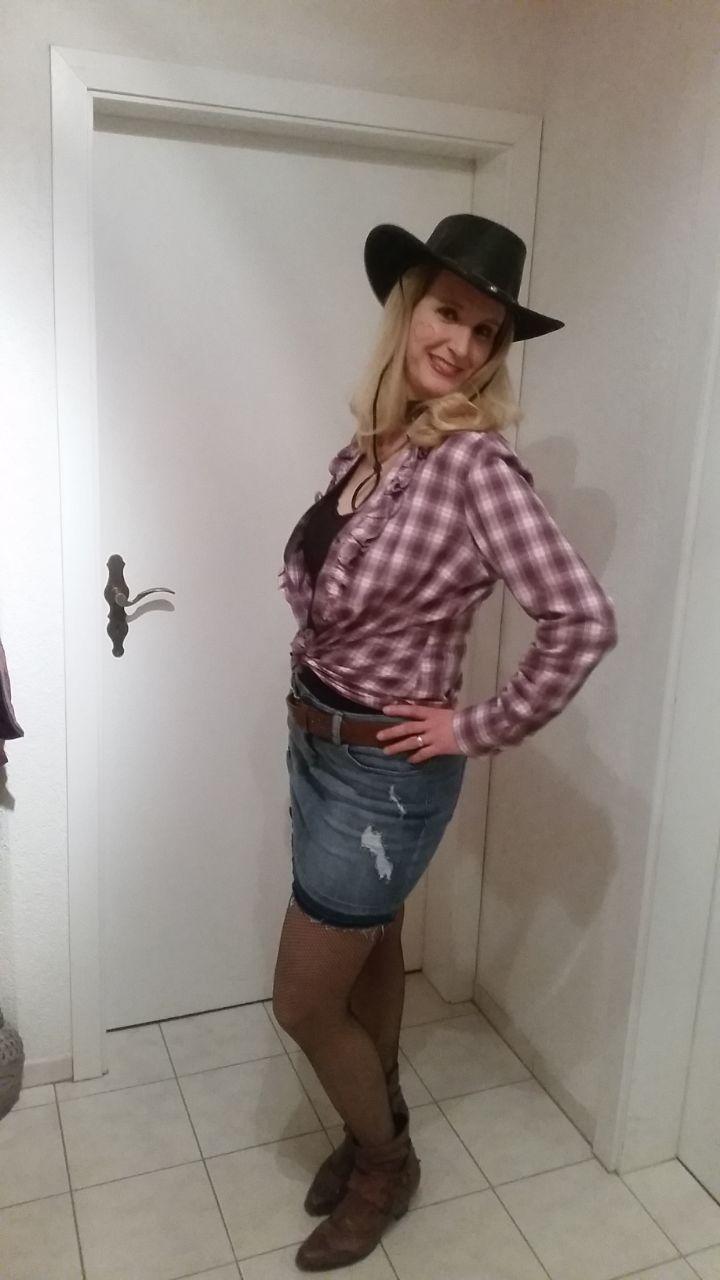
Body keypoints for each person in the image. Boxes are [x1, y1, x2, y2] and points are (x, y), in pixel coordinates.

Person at [272, 213, 618, 1272]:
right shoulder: (372, 447)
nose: (462, 344)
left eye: (485, 330)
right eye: (447, 312)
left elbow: (580, 619)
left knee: (302, 1000)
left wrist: (474, 725)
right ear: (406, 310)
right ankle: (371, 1123)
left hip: (384, 774)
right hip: (319, 744)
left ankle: (386, 1162)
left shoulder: (474, 465)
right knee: (371, 948)